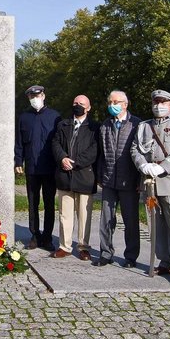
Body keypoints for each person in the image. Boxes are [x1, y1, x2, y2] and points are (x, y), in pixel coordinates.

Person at [131, 89, 170, 284]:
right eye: (156, 102)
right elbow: (135, 148)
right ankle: (164, 261)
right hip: (149, 183)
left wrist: (163, 168)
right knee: (154, 225)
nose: (158, 106)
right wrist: (142, 165)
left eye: (163, 102)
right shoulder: (144, 127)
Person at [95, 91, 143, 267]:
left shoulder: (137, 124)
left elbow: (142, 154)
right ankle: (106, 253)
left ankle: (131, 257)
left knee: (130, 221)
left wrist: (140, 180)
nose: (112, 104)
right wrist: (100, 175)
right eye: (110, 101)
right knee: (106, 220)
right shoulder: (105, 125)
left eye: (116, 101)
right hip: (108, 180)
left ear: (125, 104)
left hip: (129, 181)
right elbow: (101, 153)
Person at [50, 95, 99, 260]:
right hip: (64, 175)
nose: (77, 105)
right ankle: (65, 246)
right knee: (65, 214)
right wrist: (62, 158)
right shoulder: (63, 124)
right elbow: (55, 143)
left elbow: (94, 150)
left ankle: (83, 246)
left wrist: (75, 162)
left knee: (84, 215)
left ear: (89, 107)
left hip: (85, 175)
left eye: (81, 104)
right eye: (75, 103)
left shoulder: (94, 127)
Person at [14, 85, 61, 251]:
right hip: (32, 168)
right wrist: (18, 161)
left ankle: (47, 237)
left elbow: (59, 142)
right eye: (31, 96)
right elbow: (19, 142)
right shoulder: (24, 117)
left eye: (37, 95)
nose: (35, 98)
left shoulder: (55, 117)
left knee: (49, 203)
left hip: (49, 167)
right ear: (28, 98)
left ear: (43, 95)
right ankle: (34, 235)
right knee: (32, 203)